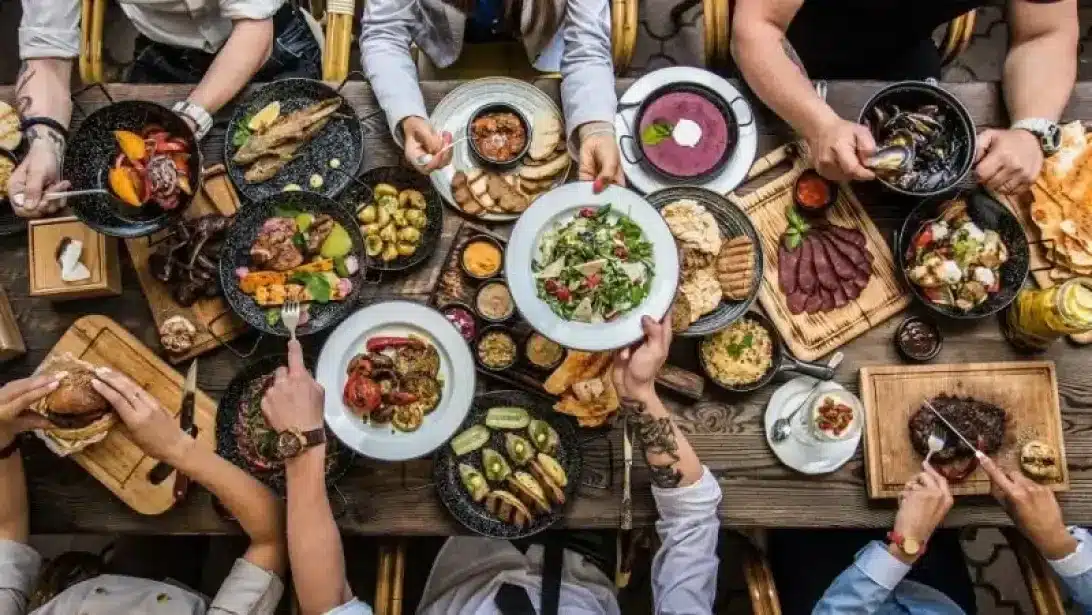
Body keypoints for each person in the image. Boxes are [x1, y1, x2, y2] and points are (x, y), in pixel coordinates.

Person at [260, 315, 722, 615]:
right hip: (587, 558)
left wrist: (303, 446)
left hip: (461, 553)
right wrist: (640, 394)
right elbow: (693, 514)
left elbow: (329, 603)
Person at [0, 369, 287, 614]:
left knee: (147, 543)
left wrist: (2, 439)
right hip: (207, 596)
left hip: (105, 586)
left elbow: (7, 530)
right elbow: (271, 538)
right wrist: (177, 448)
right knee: (221, 533)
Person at [731, 0, 1078, 195]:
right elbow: (758, 29)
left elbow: (1045, 33)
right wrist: (819, 124)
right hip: (793, 43)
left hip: (901, 46)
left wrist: (1031, 128)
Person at [12, 0, 323, 218]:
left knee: (293, 185)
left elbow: (255, 33)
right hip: (165, 57)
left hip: (269, 47)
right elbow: (46, 54)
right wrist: (45, 145)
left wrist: (184, 123)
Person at [358, 0, 623, 190]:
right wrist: (407, 113)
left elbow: (587, 47)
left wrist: (595, 127)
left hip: (543, 57)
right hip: (447, 57)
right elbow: (384, 33)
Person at [788, 455, 1092, 613]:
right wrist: (1058, 543)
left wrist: (903, 549)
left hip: (829, 595)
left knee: (801, 502)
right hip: (936, 601)